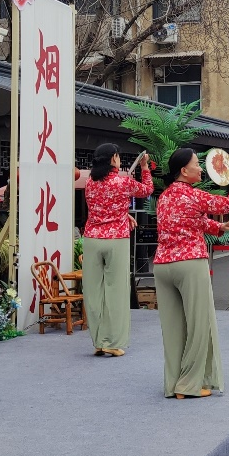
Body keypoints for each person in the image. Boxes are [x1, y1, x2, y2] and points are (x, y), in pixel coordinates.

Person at [154, 148, 229, 399]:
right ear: (184, 171)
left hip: (162, 265)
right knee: (198, 325)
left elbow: (190, 221)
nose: (201, 168)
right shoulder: (194, 195)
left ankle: (174, 384)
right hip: (189, 263)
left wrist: (218, 226)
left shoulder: (164, 197)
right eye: (196, 164)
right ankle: (189, 384)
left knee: (172, 329)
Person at [82, 144, 153, 357]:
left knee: (93, 291)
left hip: (92, 238)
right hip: (116, 239)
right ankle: (113, 342)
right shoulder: (123, 182)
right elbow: (147, 190)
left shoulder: (90, 182)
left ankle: (98, 341)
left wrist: (124, 213)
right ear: (114, 158)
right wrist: (145, 167)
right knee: (116, 289)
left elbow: (103, 206)